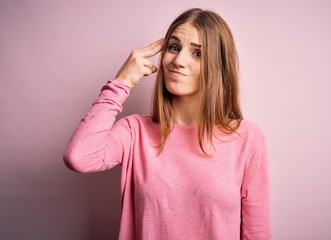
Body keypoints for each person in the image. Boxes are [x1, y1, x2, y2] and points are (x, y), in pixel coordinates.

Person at [64, 8, 271, 240]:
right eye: (174, 47)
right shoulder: (134, 132)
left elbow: (256, 234)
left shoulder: (246, 137)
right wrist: (121, 82)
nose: (179, 61)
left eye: (198, 54)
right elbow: (78, 158)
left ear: (218, 67)